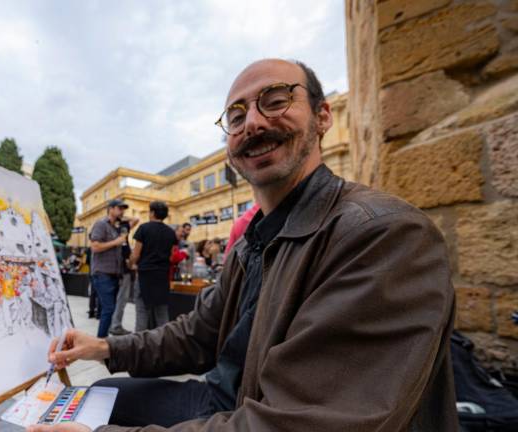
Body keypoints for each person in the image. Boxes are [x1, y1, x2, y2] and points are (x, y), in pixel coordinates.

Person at [30, 59, 456, 432]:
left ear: (323, 116)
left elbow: (300, 422)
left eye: (275, 100)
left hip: (259, 412)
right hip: (228, 398)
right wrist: (105, 348)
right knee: (99, 394)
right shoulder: (253, 241)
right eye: (236, 116)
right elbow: (198, 335)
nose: (252, 122)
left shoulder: (381, 234)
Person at [129, 201, 178, 331]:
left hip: (145, 275)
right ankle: (163, 345)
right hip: (162, 276)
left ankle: (139, 347)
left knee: (142, 313)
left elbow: (136, 254)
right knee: (162, 313)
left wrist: (130, 264)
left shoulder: (143, 228)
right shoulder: (171, 232)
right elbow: (172, 257)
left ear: (152, 213)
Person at [89, 199, 129, 338]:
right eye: (119, 208)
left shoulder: (115, 227)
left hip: (114, 275)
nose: (122, 211)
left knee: (109, 309)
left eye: (123, 209)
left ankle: (103, 340)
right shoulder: (101, 224)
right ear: (110, 209)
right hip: (102, 273)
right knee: (109, 308)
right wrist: (116, 242)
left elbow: (135, 220)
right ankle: (101, 341)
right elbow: (95, 246)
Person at [109, 214, 139, 336]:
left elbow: (136, 219)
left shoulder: (122, 227)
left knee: (120, 298)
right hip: (121, 269)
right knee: (121, 298)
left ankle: (114, 324)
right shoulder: (114, 229)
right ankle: (115, 325)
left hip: (122, 269)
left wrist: (121, 217)